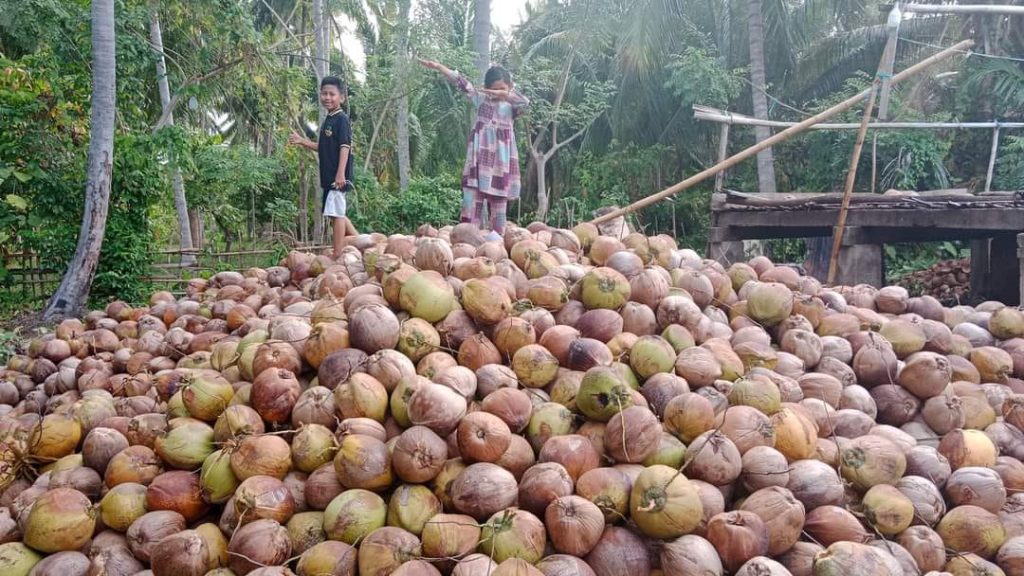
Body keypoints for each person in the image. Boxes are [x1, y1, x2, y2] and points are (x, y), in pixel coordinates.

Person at [419, 59, 529, 236]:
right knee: (469, 214)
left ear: (509, 87)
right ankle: (467, 251)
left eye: (501, 87)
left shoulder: (512, 106)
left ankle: (496, 252)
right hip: (478, 166)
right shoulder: (481, 99)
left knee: (499, 223)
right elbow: (460, 82)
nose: (496, 92)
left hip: (501, 167)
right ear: (487, 87)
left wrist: (505, 94)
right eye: (493, 88)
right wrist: (440, 67)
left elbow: (525, 103)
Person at [288, 76, 359, 258]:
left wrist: (341, 173)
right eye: (324, 93)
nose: (327, 97)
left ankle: (337, 253)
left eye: (332, 94)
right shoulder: (329, 119)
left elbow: (345, 146)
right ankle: (358, 240)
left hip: (337, 175)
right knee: (336, 211)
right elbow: (324, 146)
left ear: (341, 97)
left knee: (336, 214)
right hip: (329, 176)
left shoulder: (341, 119)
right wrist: (302, 141)